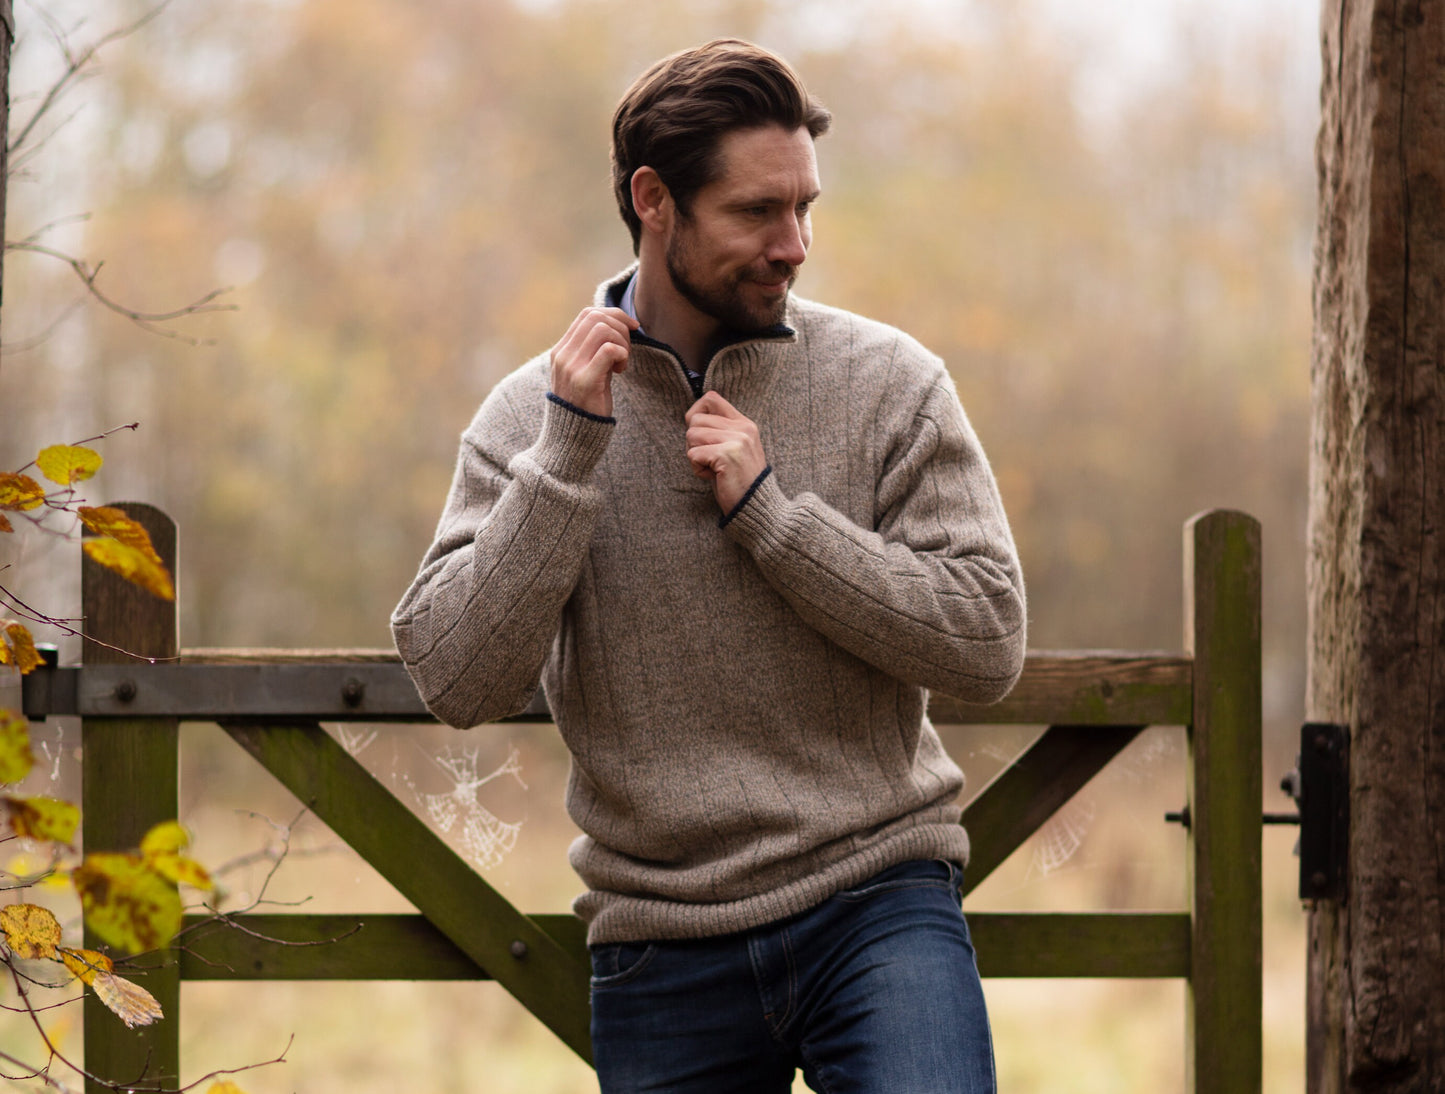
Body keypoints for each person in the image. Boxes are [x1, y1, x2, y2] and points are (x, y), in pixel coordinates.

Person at [392, 38, 1026, 1094]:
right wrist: (566, 459)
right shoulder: (531, 416)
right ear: (653, 201)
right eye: (754, 213)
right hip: (659, 935)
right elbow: (454, 677)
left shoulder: (890, 381)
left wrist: (773, 517)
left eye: (804, 207)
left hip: (876, 897)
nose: (794, 244)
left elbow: (987, 638)